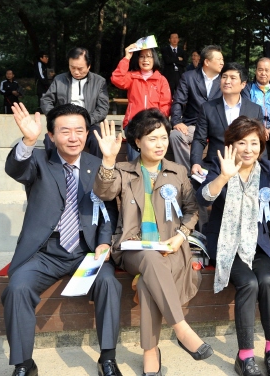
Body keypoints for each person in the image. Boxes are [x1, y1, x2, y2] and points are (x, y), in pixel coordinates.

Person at [2, 102, 121, 376]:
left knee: (108, 284)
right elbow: (16, 169)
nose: (73, 137)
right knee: (17, 288)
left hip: (86, 251)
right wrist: (28, 141)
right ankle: (24, 364)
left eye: (79, 130)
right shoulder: (39, 160)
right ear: (52, 136)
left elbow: (109, 210)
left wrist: (104, 241)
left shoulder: (98, 164)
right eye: (65, 131)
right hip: (44, 252)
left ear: (87, 133)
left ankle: (107, 358)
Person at [93, 109, 213, 375]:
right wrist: (109, 160)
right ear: (137, 141)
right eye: (152, 139)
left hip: (170, 248)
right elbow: (103, 191)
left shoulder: (178, 171)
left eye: (163, 138)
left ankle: (150, 351)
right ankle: (182, 329)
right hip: (134, 248)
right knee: (148, 260)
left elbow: (194, 210)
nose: (160, 144)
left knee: (149, 280)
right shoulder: (123, 171)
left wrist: (180, 236)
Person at [196, 116, 270, 376]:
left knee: (266, 281)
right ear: (231, 144)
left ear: (261, 145)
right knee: (250, 283)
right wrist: (223, 177)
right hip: (226, 243)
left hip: (257, 244)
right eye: (242, 142)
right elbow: (203, 197)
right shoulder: (219, 164)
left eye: (254, 143)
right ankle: (244, 354)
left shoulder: (265, 169)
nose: (248, 149)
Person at [191, 62, 264, 177]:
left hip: (245, 167)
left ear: (243, 84)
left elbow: (259, 142)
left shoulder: (255, 110)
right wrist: (195, 163)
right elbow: (199, 139)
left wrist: (262, 168)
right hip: (215, 166)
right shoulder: (208, 108)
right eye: (224, 77)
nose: (227, 81)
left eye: (233, 78)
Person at [41, 47, 109, 157]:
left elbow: (103, 108)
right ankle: (52, 170)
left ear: (89, 66)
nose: (76, 72)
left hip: (90, 124)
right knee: (50, 140)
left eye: (80, 68)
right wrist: (55, 117)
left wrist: (86, 120)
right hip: (64, 123)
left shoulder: (99, 81)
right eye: (72, 67)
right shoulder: (59, 79)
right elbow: (46, 100)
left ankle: (96, 171)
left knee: (98, 141)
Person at [111, 42, 171, 161]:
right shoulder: (132, 77)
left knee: (151, 156)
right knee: (135, 159)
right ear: (137, 59)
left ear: (154, 59)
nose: (145, 60)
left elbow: (165, 105)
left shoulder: (161, 80)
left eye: (149, 56)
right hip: (133, 123)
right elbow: (116, 79)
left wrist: (157, 122)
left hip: (154, 123)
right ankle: (135, 177)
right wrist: (127, 57)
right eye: (142, 56)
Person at [169, 45, 224, 172]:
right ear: (207, 62)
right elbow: (178, 101)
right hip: (194, 126)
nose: (222, 62)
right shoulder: (189, 77)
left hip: (217, 129)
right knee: (175, 136)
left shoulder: (224, 81)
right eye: (219, 59)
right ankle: (189, 174)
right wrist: (177, 121)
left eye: (223, 59)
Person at [241, 57, 270, 140]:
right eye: (260, 70)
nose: (263, 73)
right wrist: (261, 128)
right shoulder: (248, 88)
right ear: (256, 71)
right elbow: (246, 110)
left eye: (266, 70)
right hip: (253, 132)